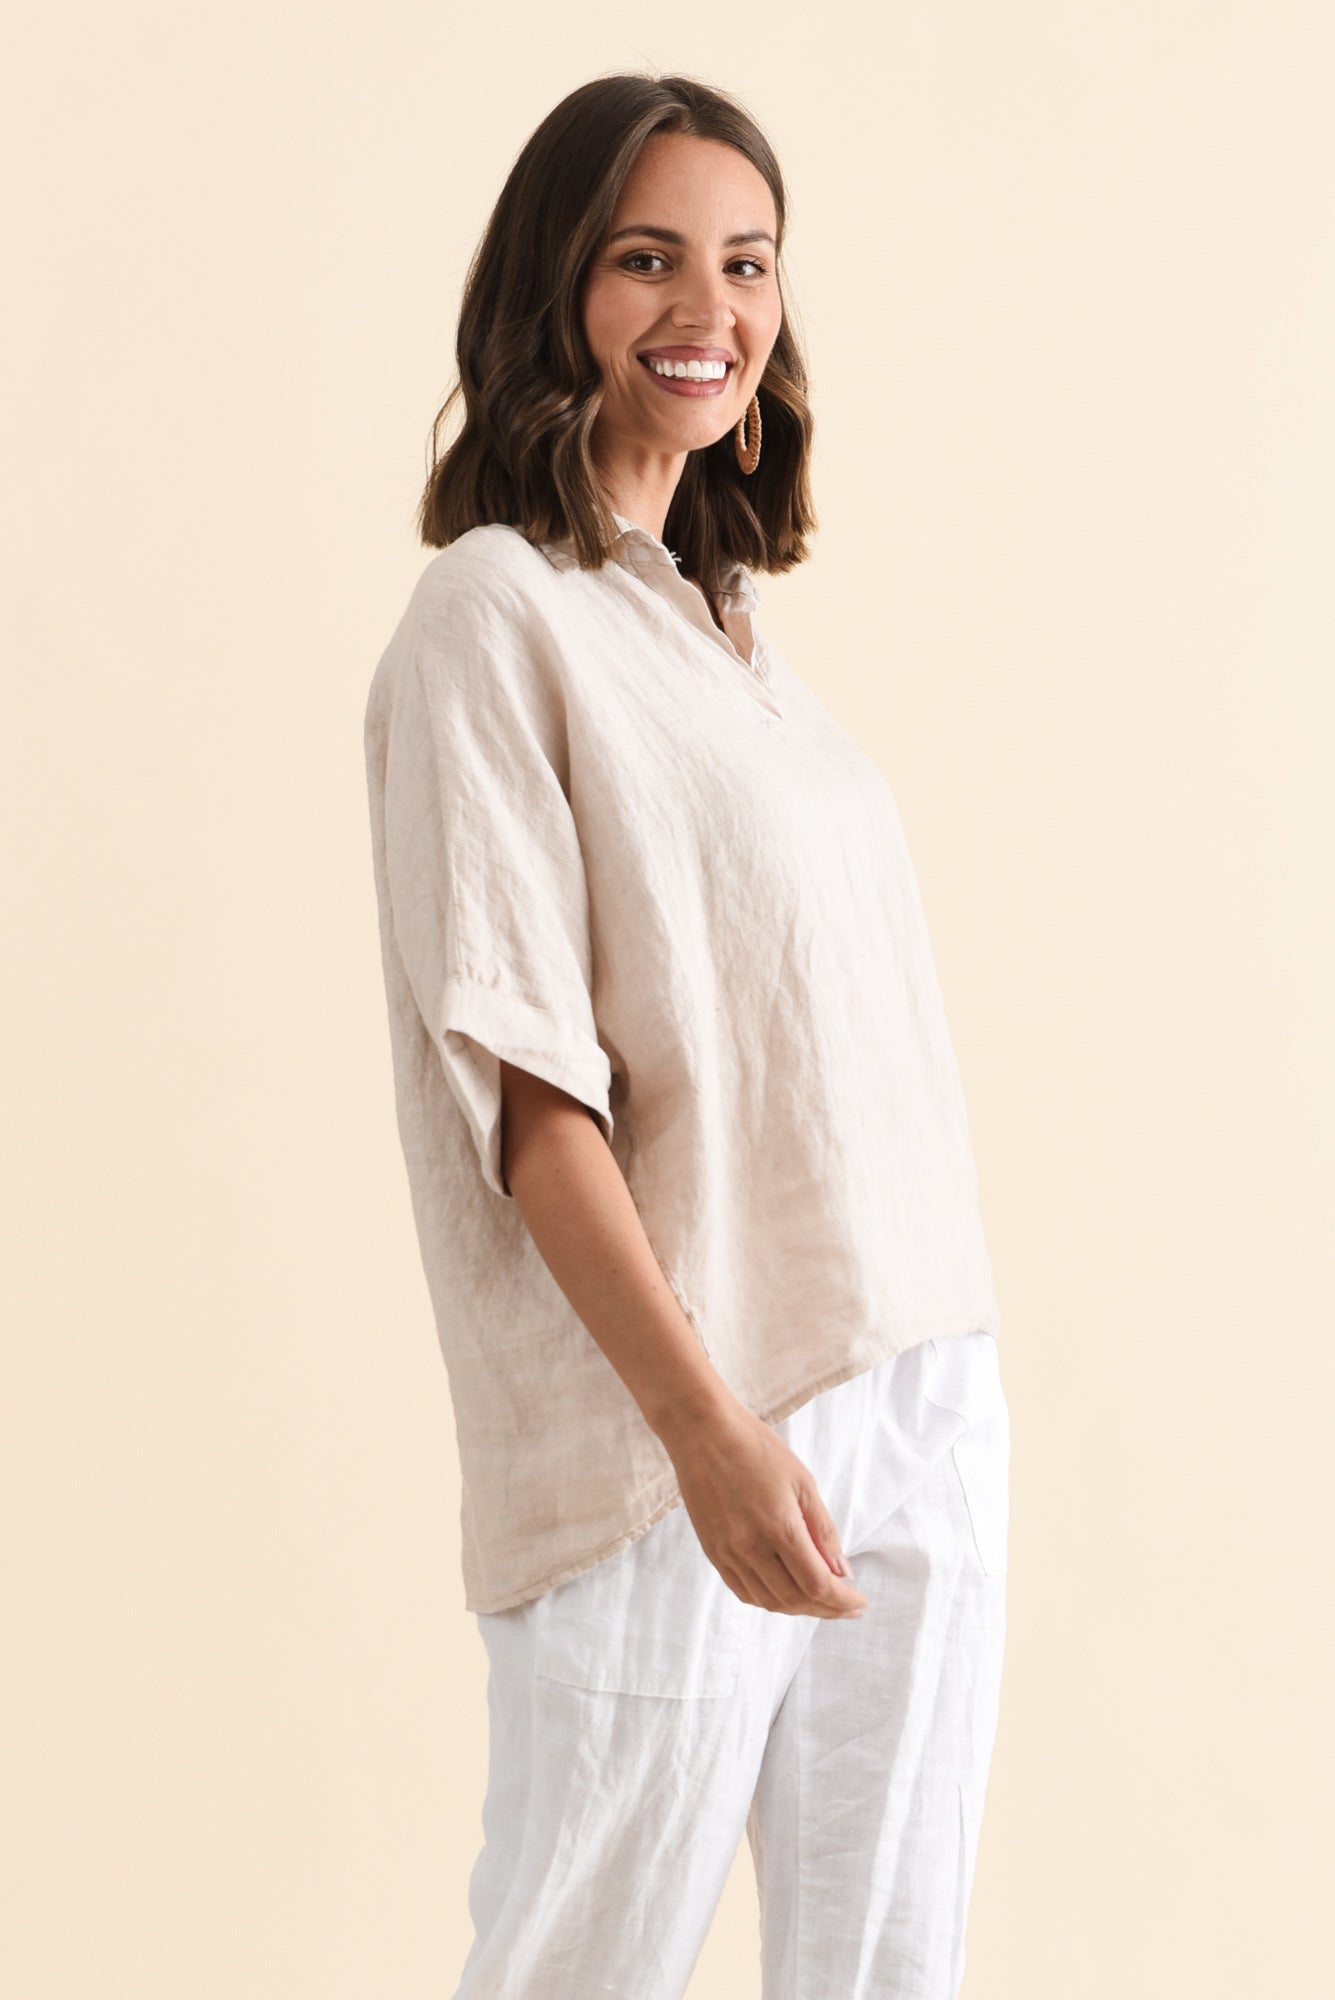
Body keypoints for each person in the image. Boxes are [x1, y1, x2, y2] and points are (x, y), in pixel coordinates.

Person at [363, 70, 1010, 2000]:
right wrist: (707, 1431)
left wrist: (933, 1396)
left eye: (747, 262)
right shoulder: (493, 615)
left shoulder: (737, 644)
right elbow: (528, 1100)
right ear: (555, 284)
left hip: (916, 1379)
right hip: (680, 1414)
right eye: (647, 258)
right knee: (584, 1963)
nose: (706, 308)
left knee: (887, 1973)